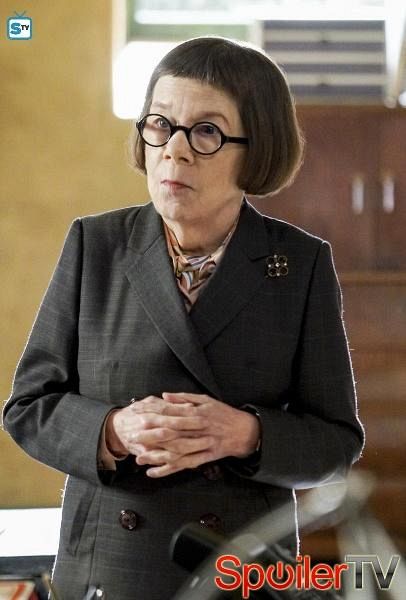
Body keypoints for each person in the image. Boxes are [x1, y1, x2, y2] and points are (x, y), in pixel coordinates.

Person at [2, 36, 364, 600]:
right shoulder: (96, 244)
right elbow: (27, 408)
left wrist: (246, 434)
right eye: (160, 125)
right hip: (108, 570)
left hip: (238, 572)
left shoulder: (299, 264)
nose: (174, 150)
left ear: (257, 149)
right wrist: (112, 430)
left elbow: (335, 444)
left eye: (206, 132)